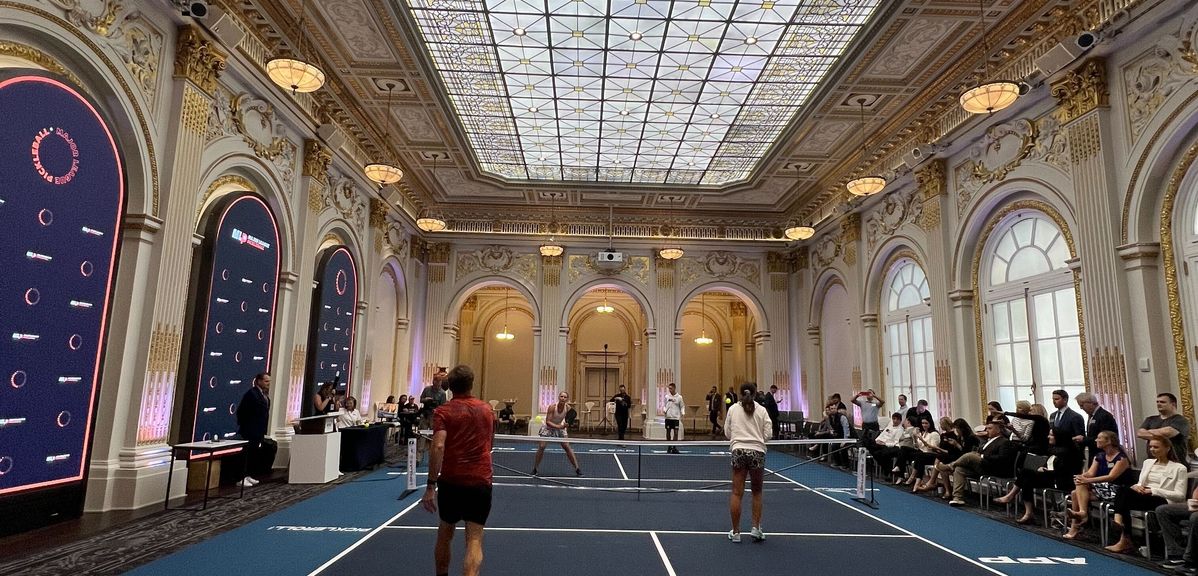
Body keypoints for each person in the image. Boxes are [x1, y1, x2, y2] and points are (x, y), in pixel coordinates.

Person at [422, 365, 494, 576]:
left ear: (450, 387)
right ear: (472, 384)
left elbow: (438, 446)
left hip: (451, 482)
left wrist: (430, 485)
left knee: (445, 533)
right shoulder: (487, 410)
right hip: (480, 482)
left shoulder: (443, 412)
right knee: (474, 538)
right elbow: (489, 444)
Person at [1104, 437, 1188, 553]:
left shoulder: (1179, 468)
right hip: (1144, 496)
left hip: (1162, 500)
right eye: (1150, 447)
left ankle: (1122, 533)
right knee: (1123, 492)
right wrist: (1137, 487)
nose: (1152, 449)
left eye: (1156, 447)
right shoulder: (1148, 463)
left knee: (1124, 497)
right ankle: (1122, 532)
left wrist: (1153, 490)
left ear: (1167, 448)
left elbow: (1180, 495)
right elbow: (1140, 482)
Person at [1062, 430, 1135, 539]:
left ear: (1109, 441)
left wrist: (1087, 481)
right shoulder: (1099, 456)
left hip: (1117, 491)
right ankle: (1080, 516)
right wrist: (1081, 476)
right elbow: (1090, 473)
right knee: (1076, 489)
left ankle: (1078, 522)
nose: (1096, 440)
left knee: (1076, 492)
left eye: (1099, 438)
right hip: (1102, 488)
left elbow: (1111, 477)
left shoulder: (1121, 458)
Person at [725, 381, 772, 543]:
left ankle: (736, 532)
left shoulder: (732, 409)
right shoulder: (762, 410)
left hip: (738, 450)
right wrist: (757, 440)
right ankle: (756, 528)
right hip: (757, 452)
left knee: (737, 492)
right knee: (757, 491)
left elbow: (727, 432)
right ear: (755, 393)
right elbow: (768, 433)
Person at [946, 421, 1016, 507]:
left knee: (970, 456)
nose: (987, 430)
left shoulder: (1004, 442)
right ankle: (957, 498)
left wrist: (983, 456)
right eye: (986, 428)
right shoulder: (987, 441)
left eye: (990, 428)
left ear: (998, 430)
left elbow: (1002, 459)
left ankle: (950, 466)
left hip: (993, 468)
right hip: (981, 467)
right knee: (960, 469)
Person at [235, 372, 276, 487]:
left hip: (259, 430)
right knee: (246, 453)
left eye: (269, 381)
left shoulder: (263, 394)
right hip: (250, 430)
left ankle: (248, 474)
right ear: (258, 381)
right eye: (266, 381)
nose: (268, 384)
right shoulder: (252, 394)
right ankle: (241, 477)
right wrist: (247, 426)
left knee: (254, 453)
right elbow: (242, 412)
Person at [532, 391, 582, 476]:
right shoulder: (552, 407)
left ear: (567, 399)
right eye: (561, 396)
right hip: (548, 427)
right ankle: (535, 468)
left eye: (565, 397)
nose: (563, 398)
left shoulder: (568, 408)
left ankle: (577, 469)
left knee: (566, 446)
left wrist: (568, 423)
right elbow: (548, 422)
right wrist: (560, 427)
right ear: (559, 398)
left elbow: (573, 414)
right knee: (542, 446)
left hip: (559, 426)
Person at [1138, 392, 1189, 466]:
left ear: (1173, 404)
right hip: (1154, 463)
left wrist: (1148, 432)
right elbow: (1140, 433)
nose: (1158, 404)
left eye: (1162, 402)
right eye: (1157, 402)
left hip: (1175, 463)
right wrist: (1161, 434)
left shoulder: (1180, 420)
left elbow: (1168, 432)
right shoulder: (1150, 419)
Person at [663, 382, 685, 454]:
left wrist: (683, 412)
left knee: (676, 432)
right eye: (669, 388)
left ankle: (674, 446)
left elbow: (682, 406)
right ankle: (669, 446)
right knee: (668, 432)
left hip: (675, 418)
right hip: (668, 417)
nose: (670, 390)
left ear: (674, 388)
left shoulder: (679, 397)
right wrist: (664, 410)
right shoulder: (666, 397)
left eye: (671, 388)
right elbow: (664, 405)